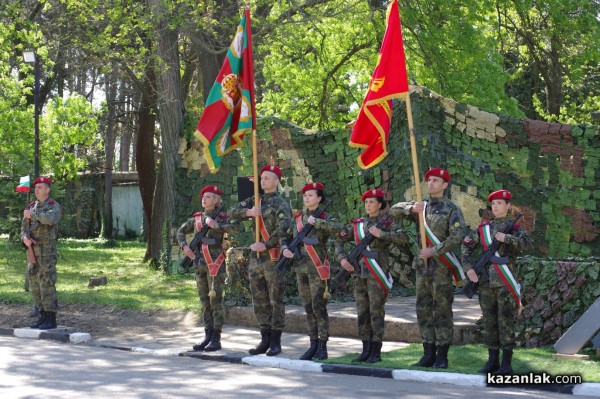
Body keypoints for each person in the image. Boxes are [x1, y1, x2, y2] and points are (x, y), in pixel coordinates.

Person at [389, 168, 466, 369]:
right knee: (422, 309)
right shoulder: (421, 207)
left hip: (441, 266)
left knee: (441, 310)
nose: (430, 183)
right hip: (422, 268)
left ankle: (442, 356)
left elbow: (457, 237)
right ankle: (427, 353)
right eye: (429, 180)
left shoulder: (451, 209)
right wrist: (410, 209)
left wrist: (435, 251)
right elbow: (392, 211)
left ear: (445, 185)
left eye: (436, 180)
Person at [462, 189, 532, 374]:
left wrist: (507, 238)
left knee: (506, 322)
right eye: (493, 204)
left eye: (500, 203)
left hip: (504, 283)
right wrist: (468, 269)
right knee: (490, 322)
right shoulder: (483, 229)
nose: (496, 206)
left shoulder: (514, 228)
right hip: (485, 284)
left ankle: (506, 364)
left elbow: (527, 244)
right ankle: (492, 361)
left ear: (508, 206)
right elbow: (466, 246)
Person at [335, 189, 408, 363]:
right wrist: (342, 258)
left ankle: (376, 351)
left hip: (377, 273)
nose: (368, 205)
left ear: (380, 204)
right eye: (366, 202)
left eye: (372, 202)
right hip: (358, 274)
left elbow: (404, 237)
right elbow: (339, 239)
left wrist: (382, 234)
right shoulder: (357, 224)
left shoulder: (386, 223)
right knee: (362, 312)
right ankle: (365, 349)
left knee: (376, 311)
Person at [229, 165, 292, 356]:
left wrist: (266, 244)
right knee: (259, 299)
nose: (263, 181)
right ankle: (264, 338)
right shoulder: (255, 201)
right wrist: (248, 213)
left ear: (276, 181)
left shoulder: (281, 203)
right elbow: (232, 211)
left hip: (272, 257)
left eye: (267, 178)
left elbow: (284, 229)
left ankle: (275, 341)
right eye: (262, 178)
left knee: (275, 299)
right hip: (256, 259)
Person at [281, 182, 342, 360]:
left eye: (311, 195)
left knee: (319, 307)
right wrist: (285, 247)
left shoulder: (325, 217)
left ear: (319, 198)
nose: (307, 198)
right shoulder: (298, 218)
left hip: (317, 269)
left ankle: (323, 345)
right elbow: (286, 236)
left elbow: (339, 229)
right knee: (308, 308)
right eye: (305, 195)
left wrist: (318, 223)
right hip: (301, 268)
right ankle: (312, 344)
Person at [176, 185, 239, 352]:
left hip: (215, 266)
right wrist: (185, 247)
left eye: (209, 196)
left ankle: (216, 338)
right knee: (204, 302)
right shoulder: (197, 219)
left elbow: (235, 229)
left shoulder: (222, 217)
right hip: (199, 265)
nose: (204, 199)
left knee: (216, 302)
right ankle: (207, 336)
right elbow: (180, 232)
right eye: (203, 196)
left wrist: (216, 225)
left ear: (216, 200)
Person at [21, 176, 62, 330]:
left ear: (47, 190)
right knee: (35, 283)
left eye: (40, 187)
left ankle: (51, 318)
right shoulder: (31, 206)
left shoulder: (53, 206)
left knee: (47, 283)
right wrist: (24, 238)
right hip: (32, 251)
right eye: (36, 187)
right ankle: (42, 316)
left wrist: (32, 215)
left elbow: (51, 219)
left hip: (46, 252)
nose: (36, 189)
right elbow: (24, 228)